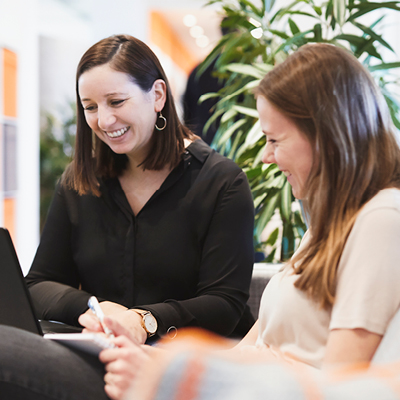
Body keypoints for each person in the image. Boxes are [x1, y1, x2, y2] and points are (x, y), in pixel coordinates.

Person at [98, 43, 400, 398]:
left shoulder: (381, 219)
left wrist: (190, 368)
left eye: (274, 140)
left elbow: (342, 383)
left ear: (327, 138)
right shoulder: (329, 226)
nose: (268, 157)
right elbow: (251, 348)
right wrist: (159, 364)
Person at [0, 33, 255, 399]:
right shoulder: (79, 181)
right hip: (106, 360)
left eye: (116, 101)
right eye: (89, 107)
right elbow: (39, 282)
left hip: (191, 367)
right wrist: (94, 309)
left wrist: (143, 320)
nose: (104, 120)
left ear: (158, 96)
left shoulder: (221, 182)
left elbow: (224, 304)